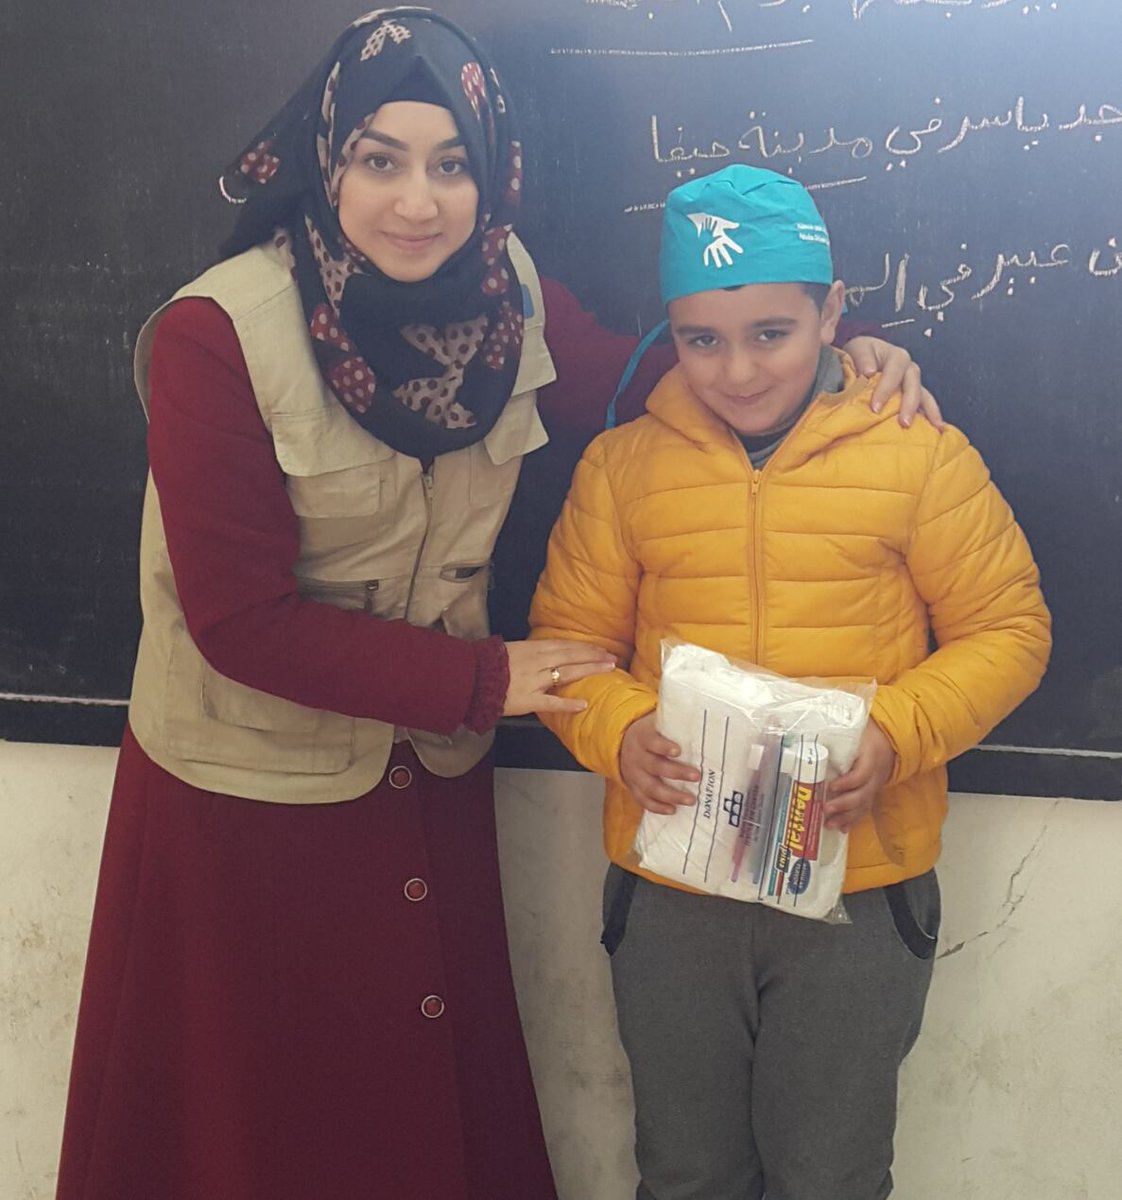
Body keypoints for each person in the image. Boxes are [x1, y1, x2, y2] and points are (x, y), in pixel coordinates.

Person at [55, 10, 939, 1200]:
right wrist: (486, 679)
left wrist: (842, 353)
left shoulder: (505, 291)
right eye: (380, 159)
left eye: (451, 163)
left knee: (410, 1098)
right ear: (326, 160)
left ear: (491, 173)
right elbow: (236, 619)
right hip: (248, 792)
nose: (419, 201)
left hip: (423, 779)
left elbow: (658, 374)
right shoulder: (216, 336)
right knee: (260, 1113)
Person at [530, 163, 1051, 1200]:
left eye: (771, 332)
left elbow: (1009, 630)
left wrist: (896, 731)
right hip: (676, 890)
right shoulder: (622, 469)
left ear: (832, 313)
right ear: (671, 333)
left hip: (860, 886)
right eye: (701, 340)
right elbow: (568, 646)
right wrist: (619, 730)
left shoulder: (919, 456)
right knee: (685, 1173)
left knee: (831, 1177)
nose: (736, 370)